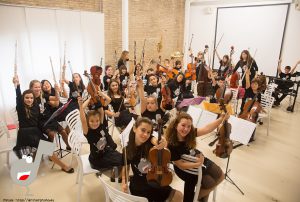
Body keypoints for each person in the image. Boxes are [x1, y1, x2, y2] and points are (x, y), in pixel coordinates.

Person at [13, 76, 74, 173]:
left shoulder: (35, 105)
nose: (29, 100)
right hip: (25, 133)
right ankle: (63, 166)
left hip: (35, 131)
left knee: (46, 149)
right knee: (44, 150)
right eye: (27, 98)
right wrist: (17, 85)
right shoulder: (21, 107)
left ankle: (62, 165)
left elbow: (46, 106)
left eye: (31, 98)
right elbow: (18, 96)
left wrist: (57, 91)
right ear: (23, 98)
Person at [165, 112, 226, 202]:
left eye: (189, 126)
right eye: (183, 125)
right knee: (210, 183)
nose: (186, 129)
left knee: (221, 176)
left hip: (198, 161)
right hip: (186, 169)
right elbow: (180, 165)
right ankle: (195, 198)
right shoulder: (171, 144)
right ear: (175, 125)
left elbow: (207, 128)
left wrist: (221, 119)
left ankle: (196, 197)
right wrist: (198, 163)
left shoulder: (190, 133)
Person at [121, 117, 183, 202]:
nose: (146, 134)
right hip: (139, 185)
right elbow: (126, 168)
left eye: (148, 132)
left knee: (179, 195)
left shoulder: (150, 143)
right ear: (135, 128)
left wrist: (162, 141)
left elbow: (155, 140)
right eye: (143, 130)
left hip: (155, 179)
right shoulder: (127, 150)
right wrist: (124, 182)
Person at [78, 96, 123, 180]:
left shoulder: (101, 126)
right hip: (97, 159)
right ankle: (115, 176)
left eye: (97, 121)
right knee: (121, 161)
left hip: (106, 152)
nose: (95, 123)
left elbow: (101, 111)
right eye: (92, 121)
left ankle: (115, 175)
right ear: (88, 122)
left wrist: (96, 98)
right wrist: (81, 106)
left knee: (123, 157)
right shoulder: (88, 132)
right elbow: (83, 120)